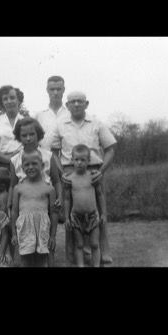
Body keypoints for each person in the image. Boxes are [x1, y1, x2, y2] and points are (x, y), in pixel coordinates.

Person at [50, 90, 117, 267]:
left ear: (86, 104)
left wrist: (101, 171)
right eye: (72, 102)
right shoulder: (60, 124)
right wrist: (62, 172)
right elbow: (54, 152)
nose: (77, 104)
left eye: (80, 101)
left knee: (97, 217)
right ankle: (74, 262)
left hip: (94, 172)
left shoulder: (97, 123)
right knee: (72, 220)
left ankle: (103, 260)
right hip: (69, 174)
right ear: (68, 105)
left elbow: (111, 149)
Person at [7, 116, 62, 267]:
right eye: (24, 135)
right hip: (25, 202)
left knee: (47, 242)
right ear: (19, 137)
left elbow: (57, 180)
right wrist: (10, 200)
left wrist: (60, 198)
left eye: (32, 134)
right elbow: (13, 184)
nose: (28, 138)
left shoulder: (48, 156)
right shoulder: (15, 159)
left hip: (46, 201)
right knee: (26, 243)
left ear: (38, 135)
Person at [11, 149, 59, 267]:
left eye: (34, 163)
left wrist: (52, 236)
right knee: (25, 260)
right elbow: (14, 211)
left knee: (42, 260)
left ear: (42, 165)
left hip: (42, 229)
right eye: (27, 164)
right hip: (25, 229)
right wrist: (13, 233)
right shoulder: (18, 188)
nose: (30, 167)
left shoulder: (49, 189)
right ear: (22, 167)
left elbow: (53, 213)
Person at [63, 144, 107, 267]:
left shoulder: (93, 176)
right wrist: (66, 217)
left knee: (94, 244)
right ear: (72, 160)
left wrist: (103, 213)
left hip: (93, 215)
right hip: (76, 217)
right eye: (76, 159)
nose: (79, 163)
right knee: (79, 244)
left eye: (83, 160)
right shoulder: (69, 179)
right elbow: (67, 199)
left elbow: (100, 195)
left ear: (89, 161)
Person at [0, 85, 24, 172]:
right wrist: (10, 160)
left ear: (19, 100)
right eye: (5, 99)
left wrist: (19, 159)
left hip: (23, 164)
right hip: (2, 165)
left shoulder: (26, 121)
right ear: (2, 102)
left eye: (12, 98)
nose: (9, 101)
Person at [34, 75, 70, 150]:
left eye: (58, 89)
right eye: (52, 89)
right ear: (47, 90)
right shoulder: (39, 115)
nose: (55, 92)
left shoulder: (70, 114)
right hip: (44, 157)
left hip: (67, 158)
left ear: (63, 90)